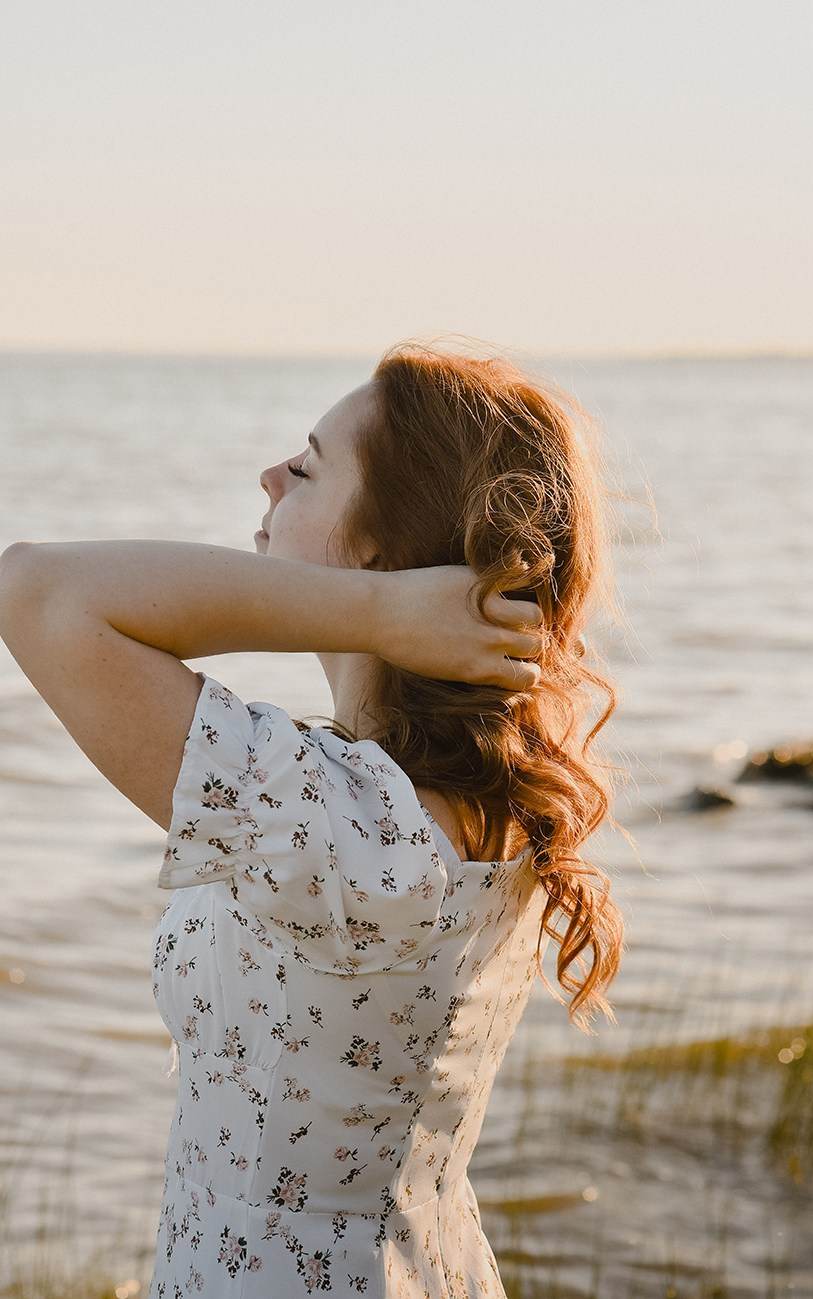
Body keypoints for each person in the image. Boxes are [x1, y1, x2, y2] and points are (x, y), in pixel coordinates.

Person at [0, 343, 623, 1298]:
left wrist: (369, 609)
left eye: (305, 468)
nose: (267, 476)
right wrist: (379, 608)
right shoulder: (428, 800)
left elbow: (36, 591)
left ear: (382, 542)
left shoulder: (351, 819)